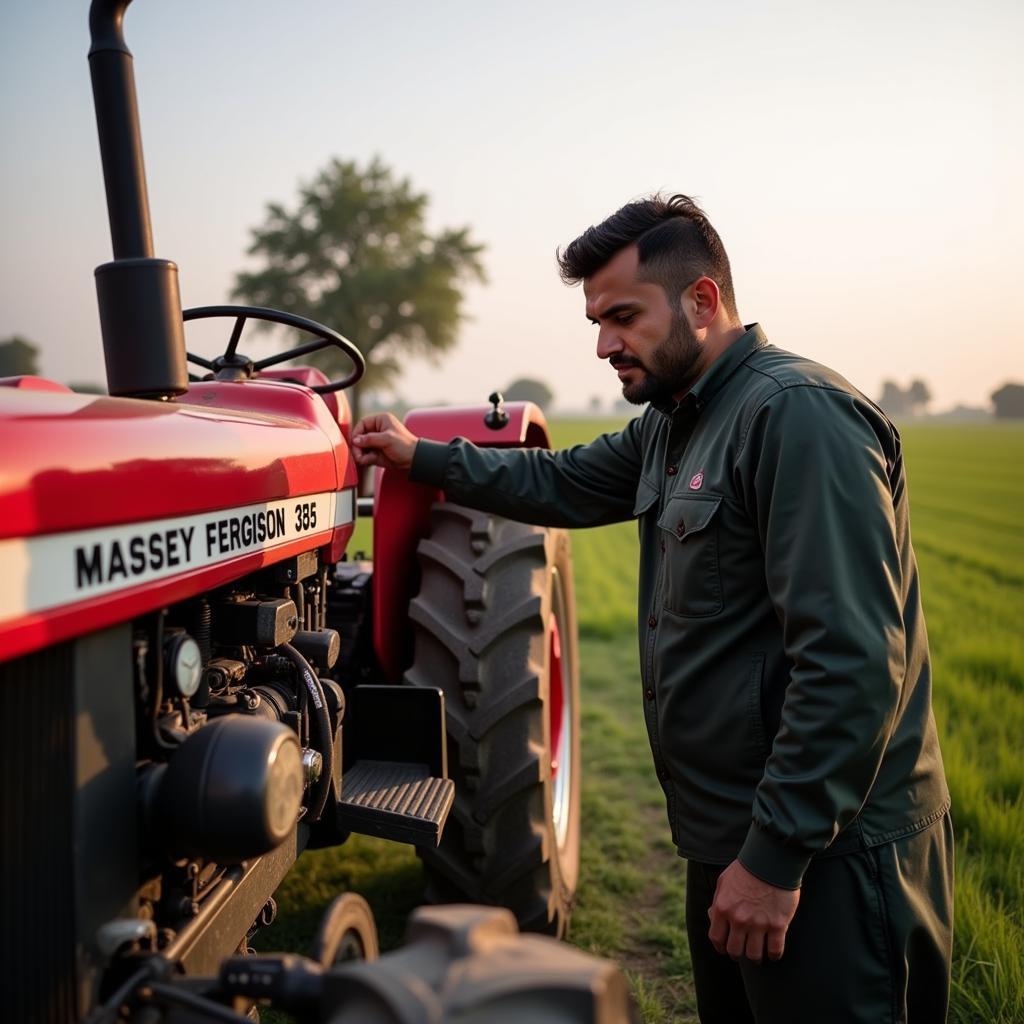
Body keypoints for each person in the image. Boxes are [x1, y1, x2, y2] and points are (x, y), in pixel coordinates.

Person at [351, 194, 953, 1023]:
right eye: (597, 321)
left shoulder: (796, 416)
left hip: (828, 856)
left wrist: (775, 861)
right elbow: (556, 481)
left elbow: (853, 662)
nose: (603, 345)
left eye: (624, 317)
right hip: (733, 838)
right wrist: (423, 457)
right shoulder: (675, 425)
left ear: (702, 302)